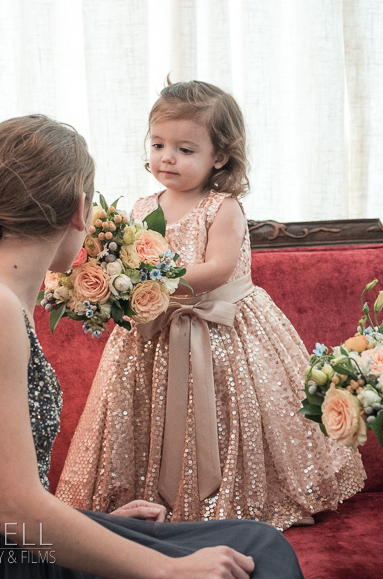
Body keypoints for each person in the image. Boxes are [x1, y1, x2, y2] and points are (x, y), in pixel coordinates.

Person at [0, 115, 311, 579]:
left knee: (255, 541)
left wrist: (90, 526)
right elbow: (11, 509)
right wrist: (169, 571)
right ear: (79, 208)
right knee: (261, 574)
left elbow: (0, 490)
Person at [55, 80, 364, 530]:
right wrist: (114, 281)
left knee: (224, 416)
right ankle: (153, 502)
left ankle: (231, 502)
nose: (167, 157)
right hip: (154, 337)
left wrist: (151, 281)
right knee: (147, 415)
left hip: (222, 333)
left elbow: (219, 268)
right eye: (159, 144)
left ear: (219, 156)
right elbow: (120, 256)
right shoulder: (142, 207)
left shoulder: (223, 207)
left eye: (184, 149)